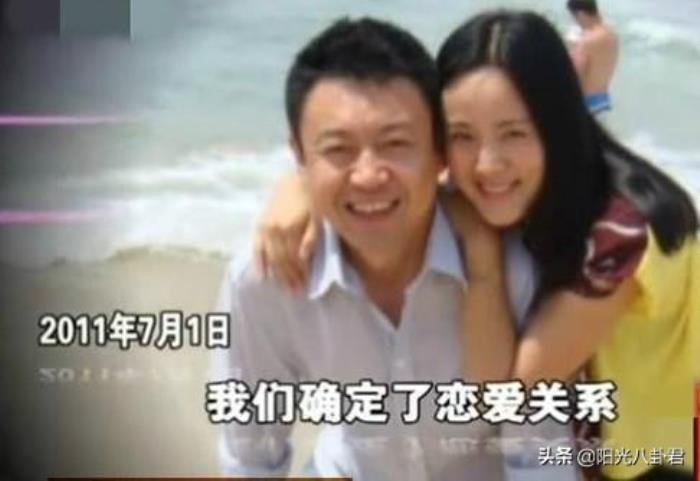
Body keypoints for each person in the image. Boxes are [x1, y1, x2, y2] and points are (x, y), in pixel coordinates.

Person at [254, 10, 700, 481]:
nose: (488, 164)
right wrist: (303, 184)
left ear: (555, 126)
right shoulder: (542, 180)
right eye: (462, 135)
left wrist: (480, 248)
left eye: (513, 133)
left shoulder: (621, 234)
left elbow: (505, 396)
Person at [212, 16, 573, 481]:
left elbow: (539, 458)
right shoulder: (265, 279)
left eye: (396, 143)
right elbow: (250, 459)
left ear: (440, 153)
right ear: (299, 156)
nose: (368, 175)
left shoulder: (514, 267)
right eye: (338, 149)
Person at [566, 0, 619, 115]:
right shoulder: (612, 35)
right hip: (604, 100)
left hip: (587, 104)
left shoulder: (587, 41)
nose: (577, 23)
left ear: (580, 14)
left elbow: (576, 74)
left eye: (575, 18)